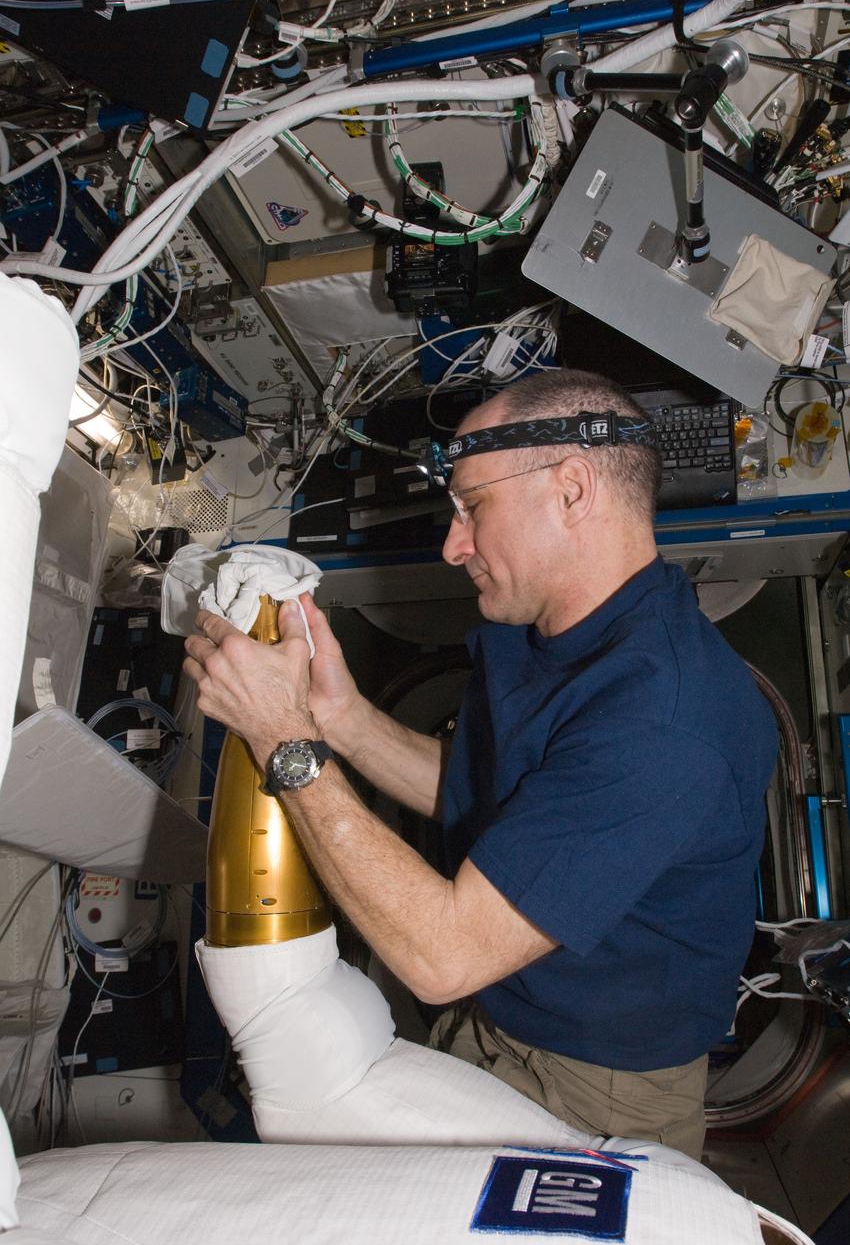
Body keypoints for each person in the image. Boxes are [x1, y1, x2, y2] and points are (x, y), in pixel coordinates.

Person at [183, 368, 778, 1163]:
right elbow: (489, 803)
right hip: (498, 1016)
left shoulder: (666, 718)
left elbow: (445, 955)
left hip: (596, 1086)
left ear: (570, 490)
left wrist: (283, 742)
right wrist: (343, 721)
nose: (452, 544)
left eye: (473, 506)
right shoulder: (553, 637)